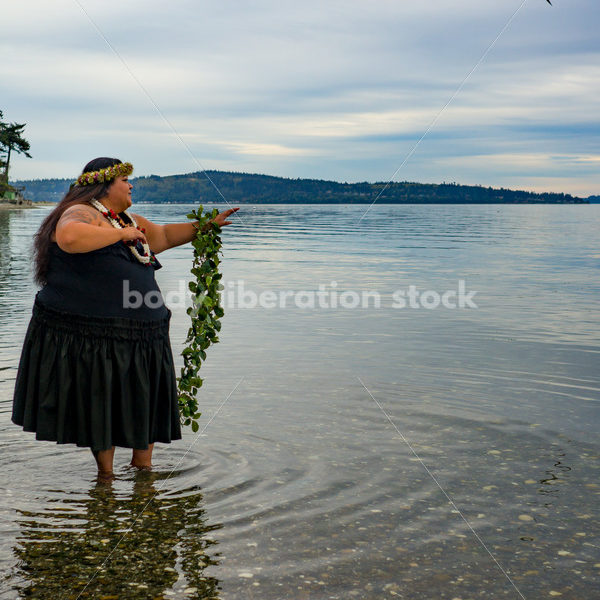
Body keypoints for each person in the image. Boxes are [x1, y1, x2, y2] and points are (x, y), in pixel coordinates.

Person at [11, 157, 239, 480]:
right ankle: (106, 481)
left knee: (142, 402)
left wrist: (207, 225)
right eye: (126, 180)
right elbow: (69, 237)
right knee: (105, 402)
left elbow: (165, 235)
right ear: (105, 185)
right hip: (105, 335)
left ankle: (143, 474)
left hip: (145, 335)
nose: (132, 185)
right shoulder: (82, 212)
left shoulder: (124, 220)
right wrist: (120, 236)